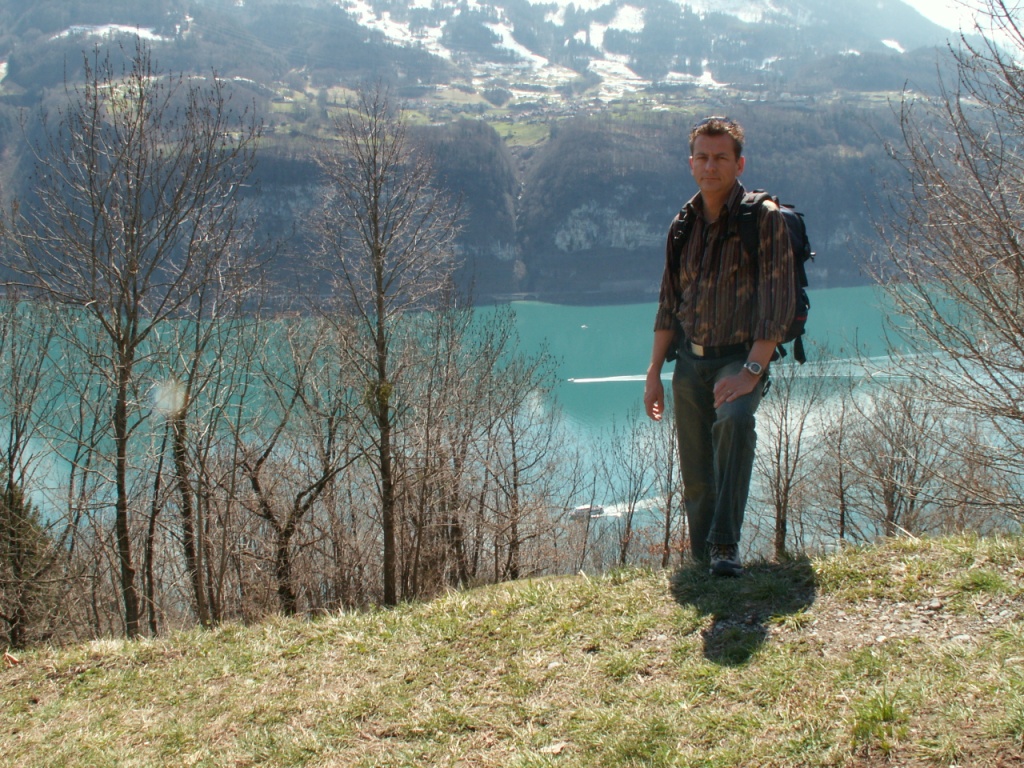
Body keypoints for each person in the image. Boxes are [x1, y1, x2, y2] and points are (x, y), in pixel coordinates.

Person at [643, 116, 795, 577]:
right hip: (690, 362)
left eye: (721, 158)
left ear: (738, 163)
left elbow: (778, 302)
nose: (711, 166)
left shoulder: (762, 219)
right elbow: (669, 303)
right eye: (703, 157)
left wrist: (751, 370)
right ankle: (702, 560)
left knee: (734, 422)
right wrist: (654, 373)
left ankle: (724, 546)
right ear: (691, 163)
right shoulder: (683, 224)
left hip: (738, 358)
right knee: (695, 472)